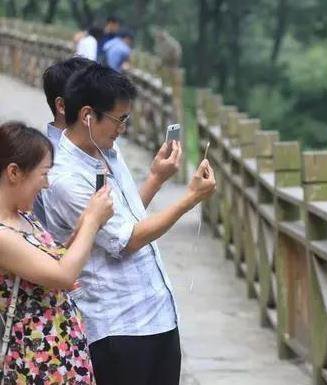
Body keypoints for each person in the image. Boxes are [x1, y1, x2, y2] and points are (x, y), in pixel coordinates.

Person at [42, 64, 216, 385]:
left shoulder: (106, 149)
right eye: (119, 119)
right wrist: (189, 199)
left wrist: (155, 178)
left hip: (157, 313)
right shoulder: (65, 179)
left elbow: (126, 216)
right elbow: (126, 240)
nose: (123, 128)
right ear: (88, 116)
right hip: (117, 326)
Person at [0, 121, 114, 384]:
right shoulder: (3, 235)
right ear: (14, 172)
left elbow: (57, 259)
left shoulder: (24, 217)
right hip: (33, 364)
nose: (48, 184)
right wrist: (93, 221)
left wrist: (88, 220)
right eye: (43, 174)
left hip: (60, 355)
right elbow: (63, 275)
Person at [33, 57, 94, 226]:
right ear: (62, 106)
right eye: (95, 100)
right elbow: (117, 238)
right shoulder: (53, 163)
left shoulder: (100, 145)